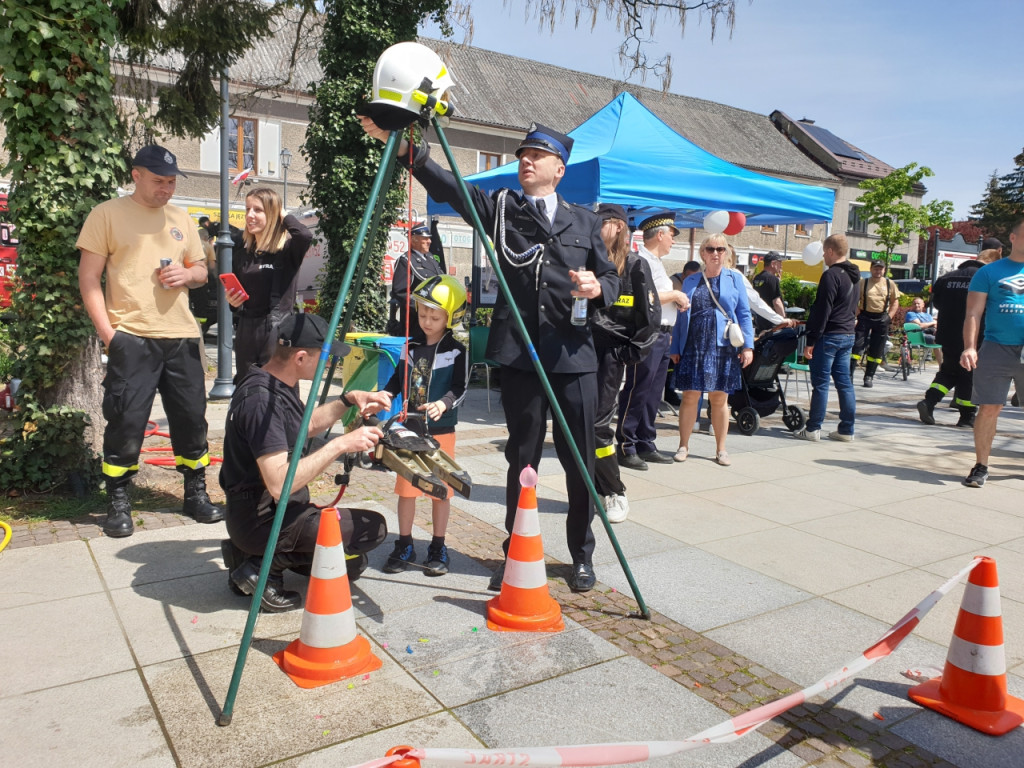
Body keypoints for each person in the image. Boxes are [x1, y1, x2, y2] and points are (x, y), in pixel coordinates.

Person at [360, 115, 617, 593]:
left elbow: (614, 280)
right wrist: (406, 152)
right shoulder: (502, 208)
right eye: (522, 155)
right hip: (522, 358)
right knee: (522, 461)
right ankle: (516, 551)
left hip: (573, 359)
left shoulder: (586, 220)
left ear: (559, 168)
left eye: (536, 156)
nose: (526, 161)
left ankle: (581, 554)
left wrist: (599, 285)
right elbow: (453, 187)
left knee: (579, 460)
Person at [77, 145, 223, 539]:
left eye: (172, 181)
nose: (167, 189)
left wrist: (186, 275)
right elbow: (88, 278)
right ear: (136, 174)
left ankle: (195, 493)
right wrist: (110, 336)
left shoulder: (180, 218)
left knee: (192, 419)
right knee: (126, 420)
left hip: (181, 336)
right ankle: (118, 500)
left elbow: (200, 272)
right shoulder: (106, 214)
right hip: (133, 337)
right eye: (159, 180)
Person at [219, 313, 390, 611]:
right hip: (263, 520)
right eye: (323, 357)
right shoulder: (262, 402)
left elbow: (304, 423)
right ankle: (261, 567)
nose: (328, 364)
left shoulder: (275, 380)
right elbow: (278, 484)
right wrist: (340, 445)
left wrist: (348, 399)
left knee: (351, 564)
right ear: (300, 357)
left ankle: (247, 556)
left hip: (265, 514)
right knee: (372, 529)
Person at [381, 276, 468, 576]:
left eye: (435, 316)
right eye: (422, 314)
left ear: (451, 316)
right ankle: (404, 542)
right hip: (409, 432)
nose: (427, 321)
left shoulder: (457, 350)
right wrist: (385, 394)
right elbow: (396, 380)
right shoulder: (410, 346)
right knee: (407, 489)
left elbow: (460, 388)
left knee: (440, 490)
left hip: (442, 431)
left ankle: (438, 545)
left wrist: (443, 403)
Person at [591, 203, 660, 522]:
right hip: (580, 354)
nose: (595, 226)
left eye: (601, 222)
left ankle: (614, 492)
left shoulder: (634, 265)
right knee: (579, 427)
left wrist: (626, 353)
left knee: (598, 426)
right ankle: (590, 489)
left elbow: (650, 319)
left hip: (609, 357)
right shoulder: (588, 261)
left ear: (618, 226)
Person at [668, 233, 754, 466]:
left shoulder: (735, 278)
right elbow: (680, 315)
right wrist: (675, 346)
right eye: (710, 249)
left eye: (720, 249)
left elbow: (744, 314)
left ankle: (721, 449)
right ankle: (683, 445)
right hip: (694, 343)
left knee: (719, 398)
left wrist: (748, 346)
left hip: (723, 345)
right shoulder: (691, 280)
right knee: (690, 396)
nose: (715, 253)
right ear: (702, 253)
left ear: (726, 253)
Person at [616, 213, 689, 470]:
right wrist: (677, 295)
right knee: (638, 388)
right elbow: (648, 295)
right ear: (660, 234)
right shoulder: (640, 260)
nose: (672, 241)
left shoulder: (655, 262)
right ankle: (626, 445)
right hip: (648, 334)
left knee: (653, 392)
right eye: (671, 234)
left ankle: (645, 442)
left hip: (662, 334)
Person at [959, 218, 1024, 488]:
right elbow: (973, 313)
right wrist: (970, 346)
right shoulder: (988, 272)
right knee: (989, 408)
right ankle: (981, 465)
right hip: (996, 348)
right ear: (1013, 237)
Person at [224, 187, 313, 384]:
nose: (250, 215)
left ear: (272, 214)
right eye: (247, 209)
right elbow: (237, 301)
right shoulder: (243, 255)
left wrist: (282, 214)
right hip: (247, 329)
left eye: (258, 210)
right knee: (246, 386)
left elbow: (305, 235)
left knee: (277, 388)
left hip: (277, 328)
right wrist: (232, 301)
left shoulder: (287, 250)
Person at [918, 249, 1000, 428]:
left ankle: (929, 402)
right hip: (973, 335)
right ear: (993, 262)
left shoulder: (947, 277)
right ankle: (967, 416)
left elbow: (937, 302)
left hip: (947, 333)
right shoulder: (987, 278)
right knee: (969, 373)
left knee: (949, 370)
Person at [796, 234, 860, 442]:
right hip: (847, 334)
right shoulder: (854, 275)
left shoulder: (831, 275)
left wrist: (812, 340)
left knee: (821, 383)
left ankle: (813, 428)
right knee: (844, 383)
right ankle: (846, 430)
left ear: (831, 251)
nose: (823, 256)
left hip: (829, 335)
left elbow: (823, 309)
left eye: (824, 252)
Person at [387, 221, 445, 338]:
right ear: (414, 240)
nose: (429, 241)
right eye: (425, 238)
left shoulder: (430, 258)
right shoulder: (405, 260)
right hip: (416, 321)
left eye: (429, 238)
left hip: (436, 318)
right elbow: (400, 292)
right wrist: (423, 307)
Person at [850, 261, 901, 387]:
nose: (878, 271)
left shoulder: (890, 284)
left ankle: (869, 377)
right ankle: (849, 375)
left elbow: (895, 302)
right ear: (871, 269)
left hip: (882, 318)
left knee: (877, 349)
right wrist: (856, 315)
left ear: (884, 270)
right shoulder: (863, 282)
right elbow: (853, 300)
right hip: (865, 316)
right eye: (875, 269)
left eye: (880, 269)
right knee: (856, 346)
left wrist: (889, 317)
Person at [751, 251, 787, 332]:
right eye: (780, 262)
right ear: (773, 263)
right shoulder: (772, 279)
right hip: (771, 320)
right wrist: (783, 320)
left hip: (759, 318)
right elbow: (776, 302)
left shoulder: (757, 278)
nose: (781, 266)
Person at [904, 297, 942, 366]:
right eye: (914, 304)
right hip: (917, 336)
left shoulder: (928, 315)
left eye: (918, 303)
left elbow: (935, 326)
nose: (916, 305)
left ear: (923, 305)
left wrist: (933, 324)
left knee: (945, 339)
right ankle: (941, 365)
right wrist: (932, 323)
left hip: (929, 334)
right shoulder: (910, 314)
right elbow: (920, 326)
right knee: (936, 340)